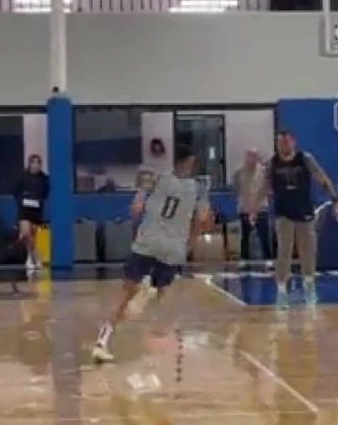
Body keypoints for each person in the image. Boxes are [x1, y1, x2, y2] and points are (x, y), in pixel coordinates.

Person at [91, 147, 209, 364]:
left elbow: (139, 195)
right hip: (172, 248)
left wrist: (139, 199)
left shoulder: (160, 177)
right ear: (190, 162)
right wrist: (191, 244)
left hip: (148, 241)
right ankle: (151, 298)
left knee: (124, 295)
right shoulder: (198, 189)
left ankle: (103, 339)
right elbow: (202, 219)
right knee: (166, 293)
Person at [252, 130, 338, 309]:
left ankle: (309, 287)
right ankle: (281, 292)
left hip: (304, 212)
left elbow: (322, 178)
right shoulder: (272, 164)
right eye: (280, 142)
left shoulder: (305, 159)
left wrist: (335, 201)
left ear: (293, 142)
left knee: (307, 252)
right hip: (283, 213)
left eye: (286, 142)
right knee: (283, 251)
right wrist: (254, 209)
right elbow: (263, 187)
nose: (283, 145)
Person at [233, 148, 273, 262]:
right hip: (245, 210)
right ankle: (244, 262)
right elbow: (237, 190)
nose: (251, 159)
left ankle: (268, 262)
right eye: (249, 156)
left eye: (254, 156)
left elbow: (268, 189)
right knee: (244, 238)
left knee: (265, 238)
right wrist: (246, 206)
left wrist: (257, 205)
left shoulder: (264, 172)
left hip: (261, 210)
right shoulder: (238, 173)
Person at [14, 154, 49, 270]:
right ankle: (36, 257)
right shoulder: (22, 177)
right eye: (33, 163)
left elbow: (45, 193)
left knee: (33, 236)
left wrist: (38, 199)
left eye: (38, 163)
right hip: (24, 209)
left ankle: (30, 257)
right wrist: (22, 199)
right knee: (26, 233)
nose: (36, 165)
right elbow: (15, 191)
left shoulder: (44, 179)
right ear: (30, 164)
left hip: (36, 210)